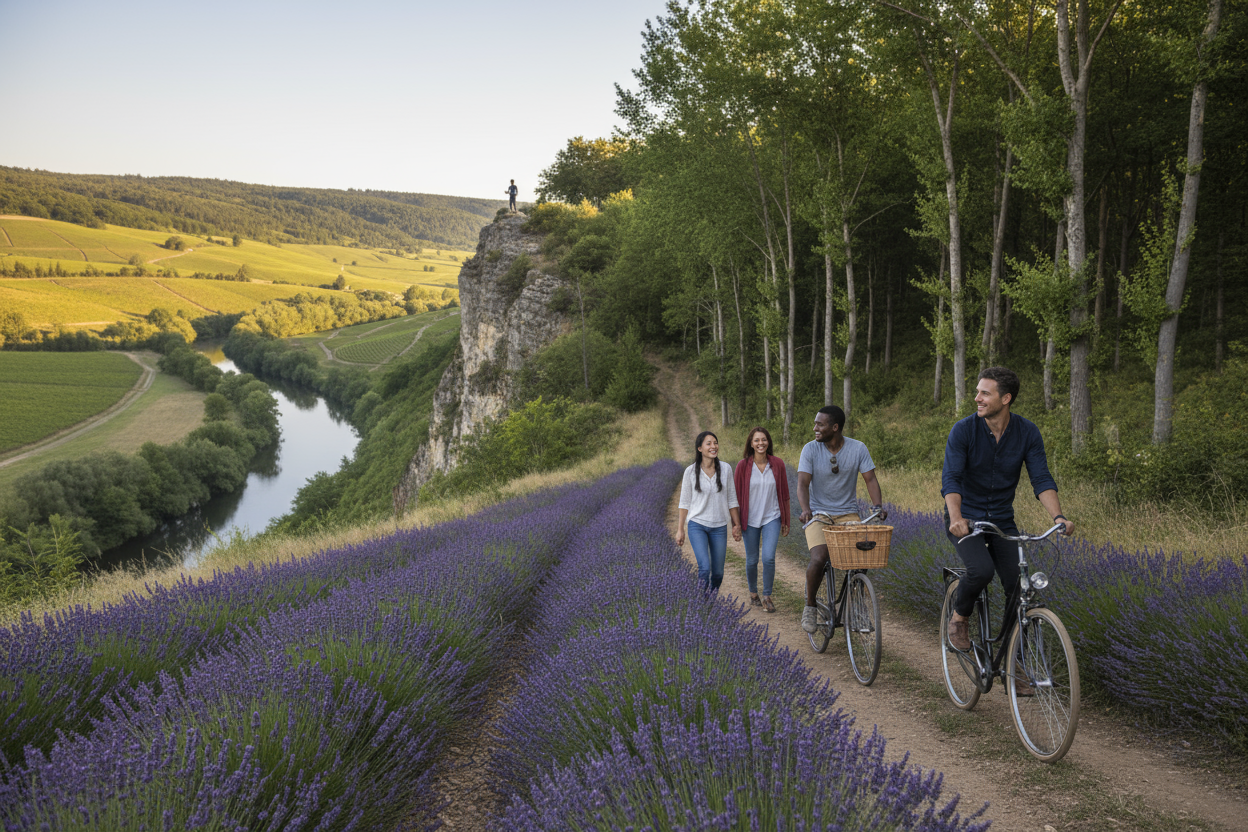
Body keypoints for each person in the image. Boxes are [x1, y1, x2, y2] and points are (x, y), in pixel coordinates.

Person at [942, 366, 1073, 658]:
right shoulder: (964, 430)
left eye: (984, 393)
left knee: (1019, 585)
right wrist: (955, 518)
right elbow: (951, 479)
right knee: (981, 570)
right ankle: (959, 618)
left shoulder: (1027, 432)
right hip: (965, 517)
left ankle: (1013, 662)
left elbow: (1041, 479)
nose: (977, 398)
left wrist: (1059, 517)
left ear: (1006, 399)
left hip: (1001, 519)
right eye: (977, 392)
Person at [797, 405, 885, 634]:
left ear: (835, 428)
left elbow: (871, 479)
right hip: (819, 514)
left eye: (820, 424)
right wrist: (806, 509)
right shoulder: (810, 450)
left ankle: (857, 608)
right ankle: (810, 607)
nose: (815, 428)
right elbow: (803, 483)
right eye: (816, 423)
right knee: (819, 557)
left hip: (848, 513)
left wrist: (877, 507)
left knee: (862, 556)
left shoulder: (858, 448)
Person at [733, 426, 790, 613]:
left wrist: (786, 520)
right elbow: (734, 497)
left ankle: (767, 596)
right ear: (751, 443)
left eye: (764, 439)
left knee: (768, 558)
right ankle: (753, 593)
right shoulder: (742, 466)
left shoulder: (778, 464)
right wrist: (736, 523)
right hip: (749, 519)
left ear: (768, 442)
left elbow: (784, 494)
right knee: (751, 560)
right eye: (756, 440)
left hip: (771, 517)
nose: (760, 443)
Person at [677, 430, 742, 590]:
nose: (714, 446)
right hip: (697, 525)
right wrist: (680, 530)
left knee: (718, 573)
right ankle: (702, 605)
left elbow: (732, 499)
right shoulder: (690, 472)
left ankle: (710, 602)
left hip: (719, 527)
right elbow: (684, 503)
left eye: (715, 443)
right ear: (700, 448)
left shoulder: (726, 469)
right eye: (709, 443)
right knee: (704, 568)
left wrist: (736, 524)